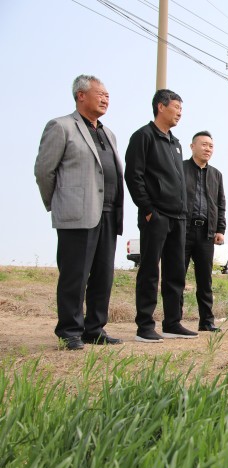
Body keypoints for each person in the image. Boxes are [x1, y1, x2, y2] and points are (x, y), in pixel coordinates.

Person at [34, 74, 124, 350]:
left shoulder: (108, 133)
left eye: (108, 95)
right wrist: (58, 203)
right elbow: (44, 171)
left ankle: (94, 329)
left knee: (103, 275)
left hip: (108, 213)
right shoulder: (61, 126)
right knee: (75, 275)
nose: (106, 99)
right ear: (81, 95)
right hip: (77, 214)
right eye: (100, 94)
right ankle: (70, 331)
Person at [125, 89, 196, 342]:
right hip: (156, 216)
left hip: (178, 217)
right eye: (176, 107)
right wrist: (147, 210)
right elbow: (133, 176)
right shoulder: (143, 136)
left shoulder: (175, 143)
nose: (180, 113)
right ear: (160, 107)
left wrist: (183, 212)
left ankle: (172, 323)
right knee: (149, 271)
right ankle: (145, 326)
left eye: (181, 109)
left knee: (176, 272)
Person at [183, 131, 226, 333]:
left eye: (211, 146)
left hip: (206, 233)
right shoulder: (181, 168)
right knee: (177, 277)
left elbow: (220, 204)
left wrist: (220, 229)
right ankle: (174, 320)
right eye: (203, 144)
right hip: (184, 230)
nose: (207, 149)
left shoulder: (216, 174)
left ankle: (206, 321)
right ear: (192, 146)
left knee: (205, 280)